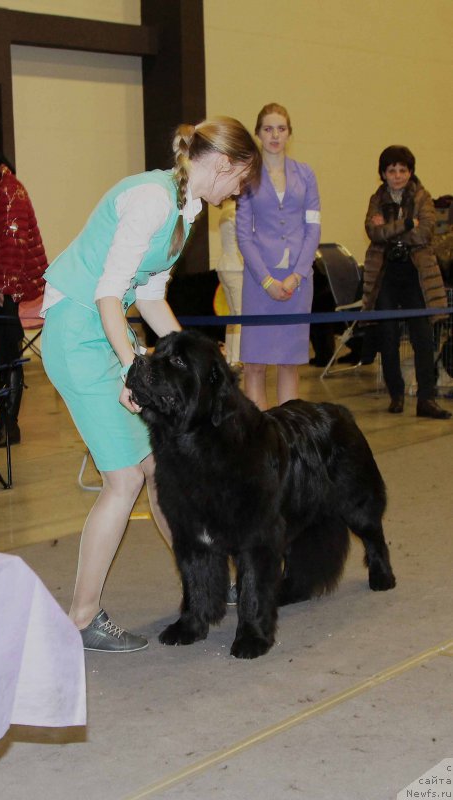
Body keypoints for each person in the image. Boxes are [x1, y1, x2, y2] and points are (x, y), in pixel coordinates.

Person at [40, 117, 261, 652]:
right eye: (241, 182)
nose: (238, 195)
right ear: (226, 164)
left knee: (162, 470)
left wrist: (204, 364)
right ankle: (82, 617)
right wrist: (131, 372)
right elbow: (109, 296)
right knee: (125, 482)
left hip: (105, 331)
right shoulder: (152, 200)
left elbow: (151, 300)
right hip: (79, 334)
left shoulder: (186, 209)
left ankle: (204, 582)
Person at [236, 103, 320, 409]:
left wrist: (298, 274)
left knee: (289, 362)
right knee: (255, 364)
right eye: (268, 129)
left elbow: (313, 228)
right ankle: (258, 438)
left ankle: (288, 435)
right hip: (260, 281)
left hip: (298, 280)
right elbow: (243, 235)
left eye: (281, 129)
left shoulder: (306, 175)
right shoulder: (247, 176)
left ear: (289, 134)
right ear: (258, 134)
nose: (274, 135)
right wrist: (267, 280)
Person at [362, 145, 451, 419]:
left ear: (410, 172)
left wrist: (393, 228)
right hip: (386, 273)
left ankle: (426, 399)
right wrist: (407, 223)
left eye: (403, 170)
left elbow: (425, 233)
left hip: (416, 274)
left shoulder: (423, 196)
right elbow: (372, 231)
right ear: (383, 174)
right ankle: (396, 394)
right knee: (387, 336)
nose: (398, 176)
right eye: (392, 170)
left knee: (423, 338)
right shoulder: (376, 198)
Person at [0, 141, 47, 447]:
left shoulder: (9, 190)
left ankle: (9, 426)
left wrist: (2, 291)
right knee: (2, 358)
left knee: (8, 358)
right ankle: (4, 425)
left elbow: (12, 248)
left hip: (4, 293)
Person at [216, 198, 243, 366]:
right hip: (235, 266)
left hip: (224, 265)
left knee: (233, 315)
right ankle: (237, 357)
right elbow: (243, 241)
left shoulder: (225, 211)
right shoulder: (235, 212)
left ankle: (231, 357)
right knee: (240, 314)